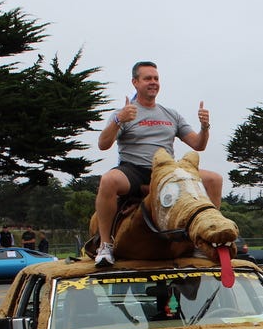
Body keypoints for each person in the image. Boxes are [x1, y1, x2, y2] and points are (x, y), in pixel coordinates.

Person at [92, 60, 223, 267]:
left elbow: (198, 145)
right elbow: (103, 144)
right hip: (134, 169)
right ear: (135, 82)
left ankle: (203, 238)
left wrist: (205, 127)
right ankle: (105, 244)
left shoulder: (171, 114)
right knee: (108, 180)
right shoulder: (125, 113)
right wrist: (118, 120)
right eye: (147, 79)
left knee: (214, 179)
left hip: (167, 171)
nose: (153, 82)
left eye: (156, 78)